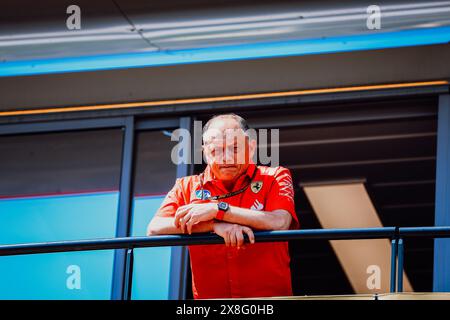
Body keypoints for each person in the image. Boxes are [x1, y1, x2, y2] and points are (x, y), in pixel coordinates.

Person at [147, 113, 299, 299]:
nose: (226, 158)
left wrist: (218, 209)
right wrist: (214, 225)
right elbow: (154, 228)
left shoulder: (275, 176)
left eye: (234, 148)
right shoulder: (186, 186)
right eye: (215, 151)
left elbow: (280, 222)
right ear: (204, 153)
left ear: (251, 148)